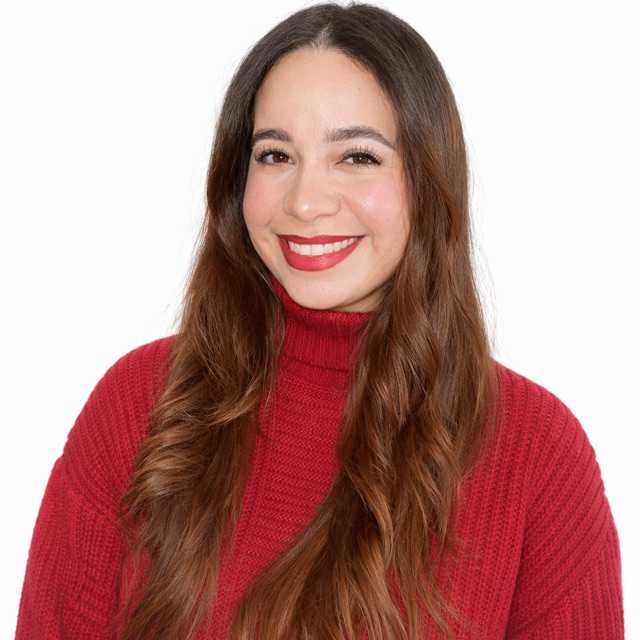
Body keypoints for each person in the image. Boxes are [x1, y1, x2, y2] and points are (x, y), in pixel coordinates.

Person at [15, 2, 624, 639]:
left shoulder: (537, 452)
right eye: (275, 155)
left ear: (427, 178)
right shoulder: (140, 402)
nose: (305, 202)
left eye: (357, 157)